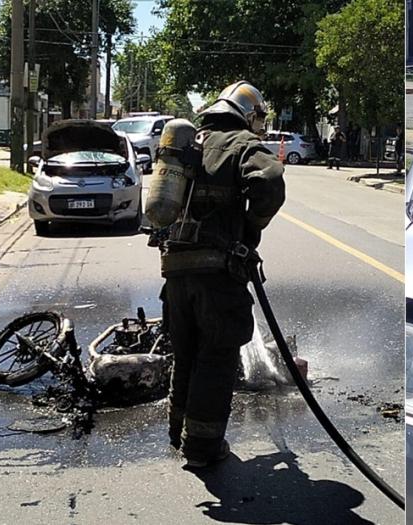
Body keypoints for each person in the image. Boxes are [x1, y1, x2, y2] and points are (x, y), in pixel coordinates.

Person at [160, 81, 286, 469]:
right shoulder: (242, 143)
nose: (259, 126)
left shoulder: (189, 143)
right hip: (217, 273)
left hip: (176, 273)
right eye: (258, 119)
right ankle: (202, 448)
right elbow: (269, 184)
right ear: (247, 115)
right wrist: (251, 227)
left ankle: (178, 432)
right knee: (216, 357)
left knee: (187, 354)